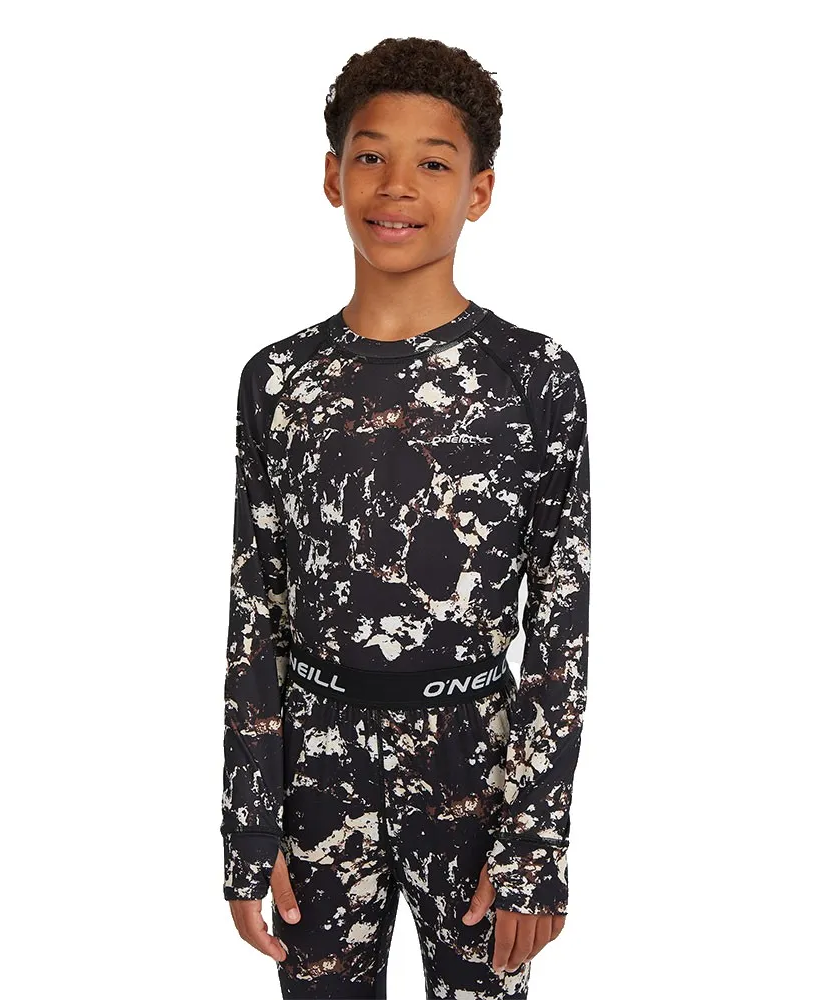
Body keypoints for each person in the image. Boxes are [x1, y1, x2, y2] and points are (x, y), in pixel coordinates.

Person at [221, 36, 591, 1000]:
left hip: (476, 764)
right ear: (332, 177)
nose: (396, 185)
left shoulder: (533, 377)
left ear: (478, 191)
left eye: (433, 163)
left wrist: (535, 839)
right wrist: (250, 823)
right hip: (317, 765)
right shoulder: (279, 380)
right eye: (371, 156)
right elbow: (255, 608)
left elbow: (561, 619)